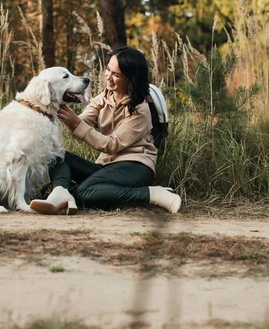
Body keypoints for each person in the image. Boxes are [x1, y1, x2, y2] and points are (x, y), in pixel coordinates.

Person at [29, 46, 181, 215]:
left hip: (135, 167)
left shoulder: (140, 110)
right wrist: (61, 112)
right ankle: (60, 193)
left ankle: (151, 193)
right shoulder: (105, 96)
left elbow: (111, 145)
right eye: (108, 69)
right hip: (107, 166)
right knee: (55, 156)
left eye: (116, 74)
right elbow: (84, 120)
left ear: (130, 79)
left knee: (84, 193)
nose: (108, 77)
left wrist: (76, 123)